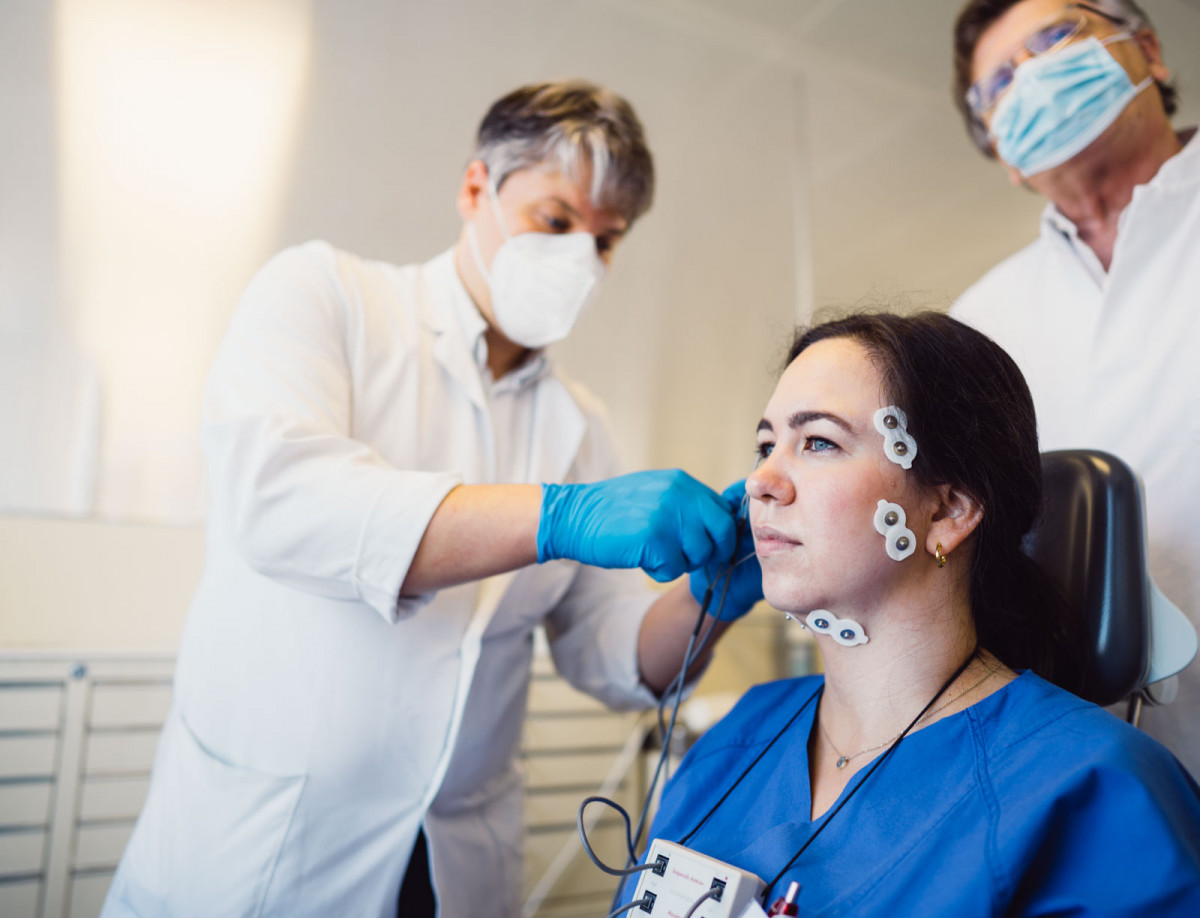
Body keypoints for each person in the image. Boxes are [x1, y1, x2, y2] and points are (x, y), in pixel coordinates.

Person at [101, 81, 761, 918]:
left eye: (606, 240)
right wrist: (557, 518)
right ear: (475, 189)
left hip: (453, 862)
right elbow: (283, 502)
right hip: (264, 850)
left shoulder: (581, 426)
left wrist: (708, 600)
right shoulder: (327, 297)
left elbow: (608, 653)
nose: (580, 261)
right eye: (556, 222)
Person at [617, 313, 1200, 915]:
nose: (759, 482)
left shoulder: (1094, 792)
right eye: (765, 446)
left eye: (817, 441)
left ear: (947, 510)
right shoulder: (739, 737)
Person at [947, 0, 1200, 776]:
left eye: (1055, 41)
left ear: (1149, 52)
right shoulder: (978, 322)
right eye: (997, 86)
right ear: (1003, 153)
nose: (1033, 80)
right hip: (1090, 769)